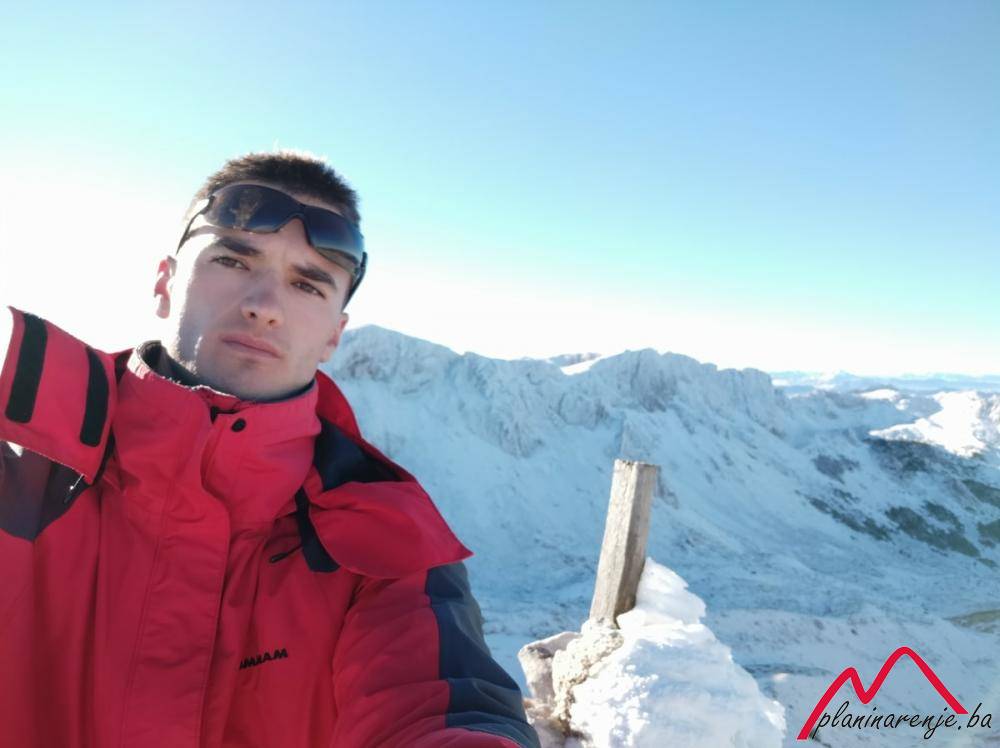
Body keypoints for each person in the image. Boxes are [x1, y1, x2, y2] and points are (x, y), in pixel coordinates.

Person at [0, 151, 540, 748]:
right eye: (233, 259)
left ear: (335, 335)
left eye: (307, 284)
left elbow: (441, 702)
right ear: (164, 283)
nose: (264, 305)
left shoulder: (384, 536)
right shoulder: (20, 455)